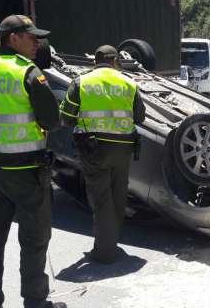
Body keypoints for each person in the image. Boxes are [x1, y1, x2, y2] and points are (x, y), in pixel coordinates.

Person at [0, 15, 65, 308]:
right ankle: (35, 302)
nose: (38, 43)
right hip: (28, 173)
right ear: (13, 38)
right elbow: (53, 120)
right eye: (32, 37)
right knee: (33, 242)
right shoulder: (29, 74)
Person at [59, 45, 145, 263]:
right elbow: (140, 117)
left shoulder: (82, 82)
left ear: (94, 61)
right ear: (116, 61)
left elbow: (66, 117)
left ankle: (105, 250)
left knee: (101, 198)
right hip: (123, 148)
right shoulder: (129, 83)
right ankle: (110, 241)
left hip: (94, 149)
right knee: (117, 195)